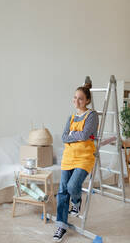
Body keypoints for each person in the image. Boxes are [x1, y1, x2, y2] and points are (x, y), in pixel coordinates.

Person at [53, 85, 99, 242]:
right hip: (69, 157)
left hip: (84, 157)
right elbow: (64, 137)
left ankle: (77, 201)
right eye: (75, 98)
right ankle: (61, 226)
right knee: (62, 192)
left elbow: (86, 134)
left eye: (80, 98)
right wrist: (75, 135)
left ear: (87, 100)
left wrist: (73, 134)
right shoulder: (71, 118)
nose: (77, 101)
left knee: (72, 187)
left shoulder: (92, 115)